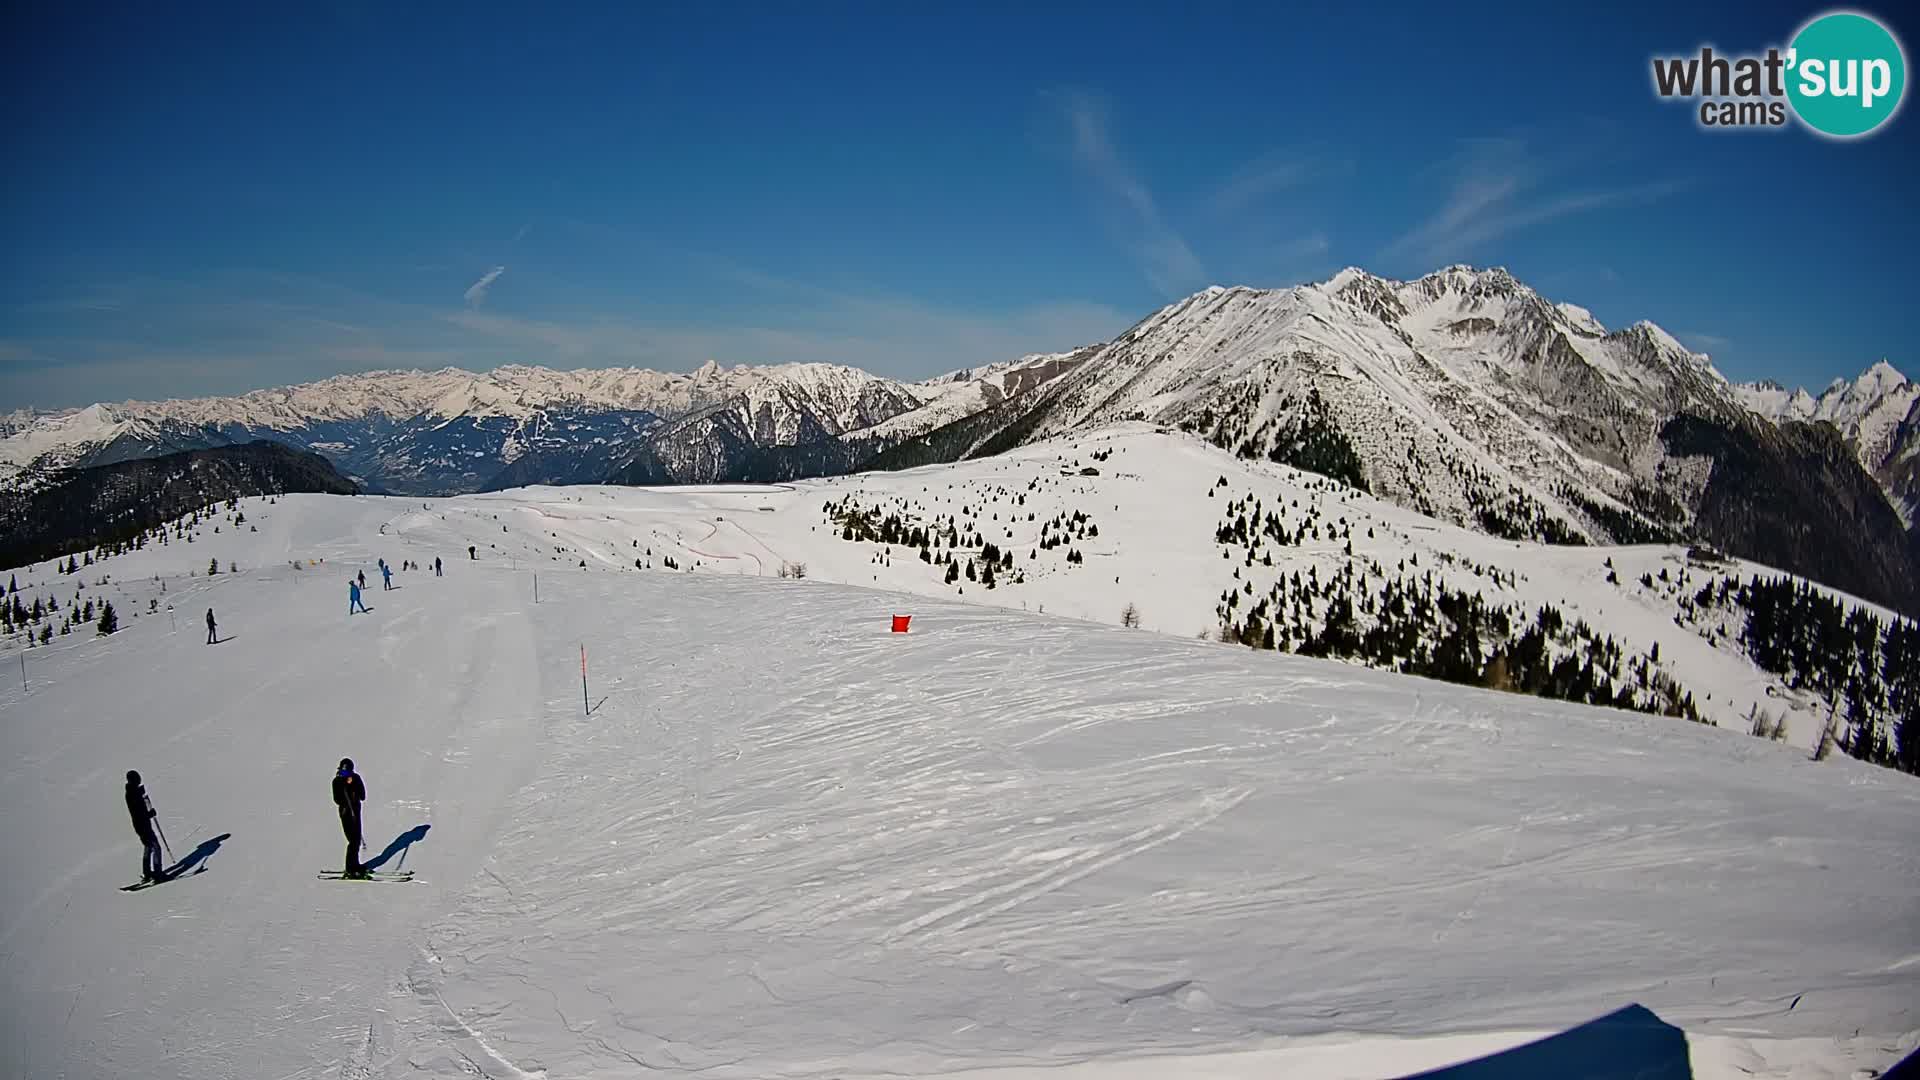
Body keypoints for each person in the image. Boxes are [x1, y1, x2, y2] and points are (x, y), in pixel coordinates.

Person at [126, 770, 164, 882]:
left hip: (141, 825)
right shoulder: (132, 794)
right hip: (142, 824)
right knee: (155, 846)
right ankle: (157, 873)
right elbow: (138, 812)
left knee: (148, 846)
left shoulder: (132, 792)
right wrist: (150, 814)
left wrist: (140, 793)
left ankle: (147, 872)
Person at [333, 758, 367, 878]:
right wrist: (345, 786)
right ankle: (349, 868)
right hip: (346, 813)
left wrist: (354, 785)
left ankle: (355, 864)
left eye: (347, 773)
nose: (345, 775)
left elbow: (363, 796)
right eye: (343, 773)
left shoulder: (356, 778)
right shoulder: (336, 782)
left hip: (356, 812)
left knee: (357, 839)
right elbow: (337, 800)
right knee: (352, 840)